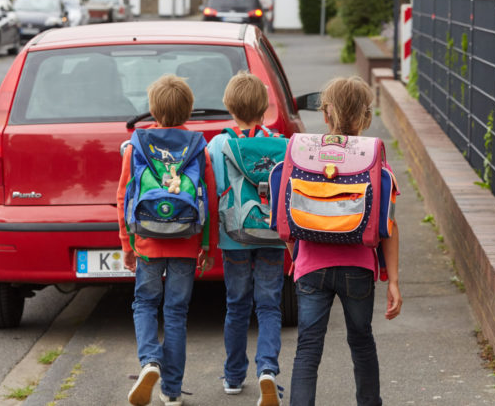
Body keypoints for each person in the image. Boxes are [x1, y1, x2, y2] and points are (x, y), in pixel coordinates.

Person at [287, 76, 402, 406]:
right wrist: (392, 280)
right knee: (362, 341)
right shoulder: (374, 159)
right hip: (358, 267)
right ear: (366, 117)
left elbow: (288, 217)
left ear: (325, 114)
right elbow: (389, 227)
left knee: (308, 348)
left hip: (310, 266)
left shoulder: (304, 155)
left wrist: (296, 256)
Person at [118, 74, 218, 406]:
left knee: (145, 304)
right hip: (187, 241)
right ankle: (171, 391)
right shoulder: (199, 147)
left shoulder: (136, 145)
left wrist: (126, 242)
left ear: (153, 109)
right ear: (188, 110)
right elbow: (210, 198)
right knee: (176, 312)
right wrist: (207, 244)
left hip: (146, 239)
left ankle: (149, 361)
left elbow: (124, 196)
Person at [206, 72, 286, 406]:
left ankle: (234, 376)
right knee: (269, 305)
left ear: (229, 105)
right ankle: (267, 369)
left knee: (237, 305)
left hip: (234, 236)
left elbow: (211, 193)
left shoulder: (218, 145)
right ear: (264, 107)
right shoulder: (280, 143)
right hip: (271, 233)